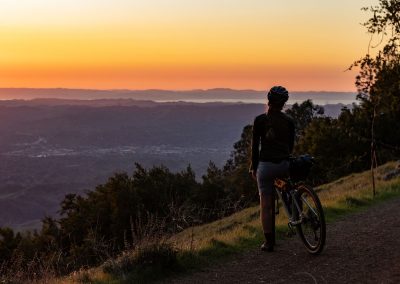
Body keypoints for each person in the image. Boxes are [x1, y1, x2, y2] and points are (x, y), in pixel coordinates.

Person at [249, 86, 295, 252]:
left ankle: (269, 243)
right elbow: (290, 147)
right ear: (283, 103)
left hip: (266, 166)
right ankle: (294, 210)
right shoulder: (289, 121)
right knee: (285, 186)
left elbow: (255, 148)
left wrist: (254, 168)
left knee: (266, 205)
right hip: (284, 164)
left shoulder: (260, 120)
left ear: (269, 101)